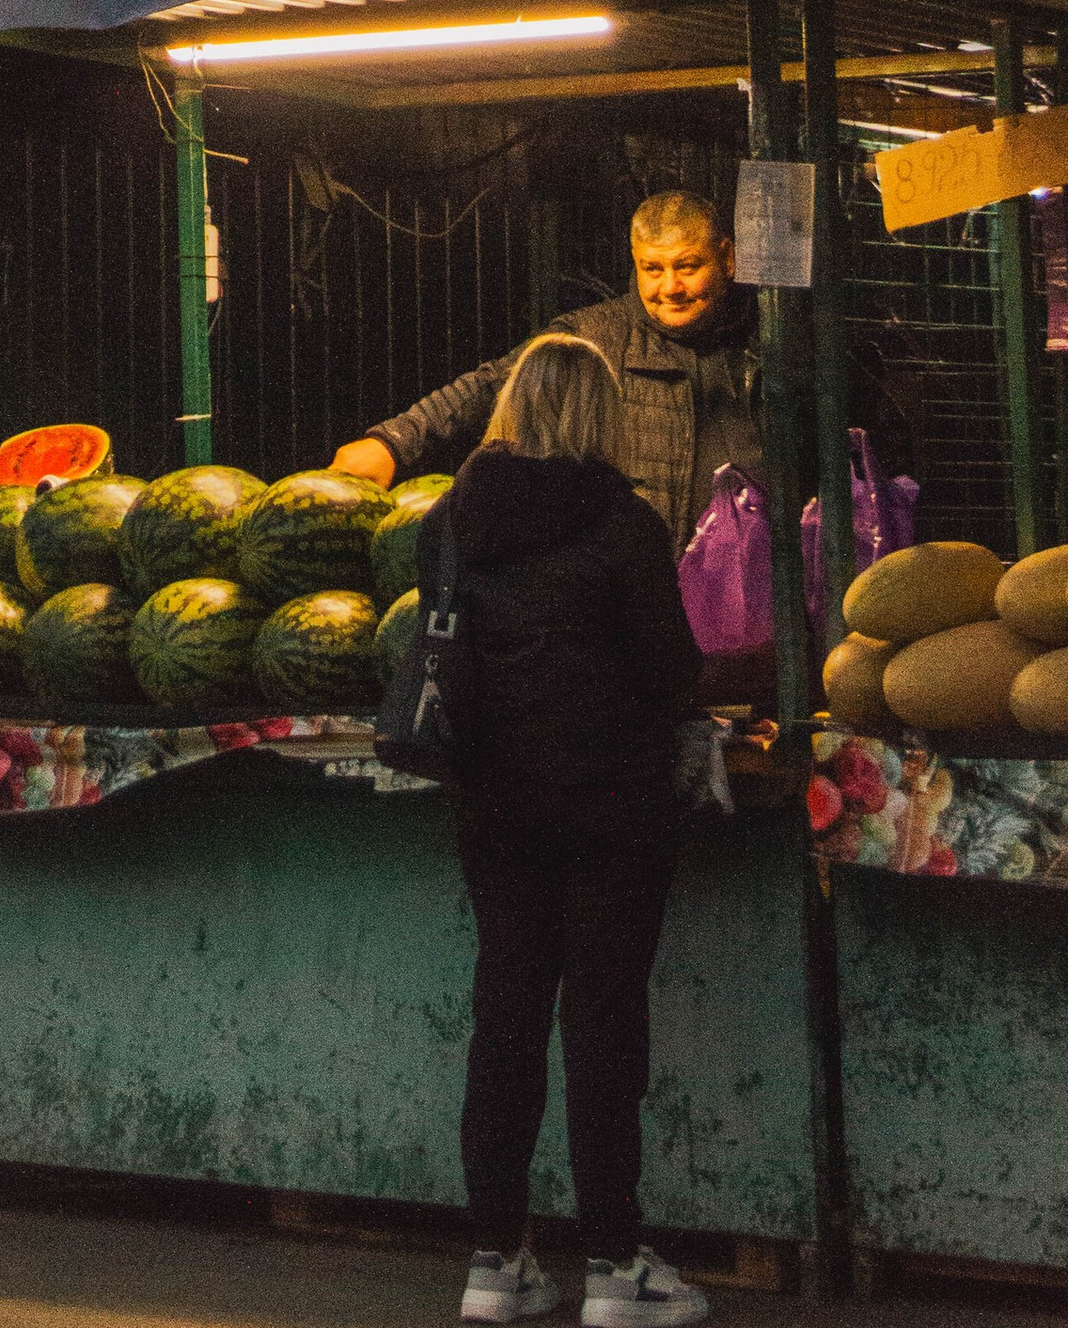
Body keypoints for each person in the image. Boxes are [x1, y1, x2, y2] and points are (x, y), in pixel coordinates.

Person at [441, 331, 708, 1328]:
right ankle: (612, 1264)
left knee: (504, 1012)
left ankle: (493, 1260)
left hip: (493, 801)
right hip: (610, 801)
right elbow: (672, 664)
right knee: (602, 1018)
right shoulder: (621, 520)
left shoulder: (452, 517)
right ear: (597, 415)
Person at [334, 185, 908, 552]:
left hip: (757, 595)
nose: (670, 288)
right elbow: (492, 382)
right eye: (652, 269)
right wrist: (393, 441)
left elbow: (869, 442)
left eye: (689, 267)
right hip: (641, 583)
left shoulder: (779, 342)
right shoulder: (597, 336)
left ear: (728, 260)